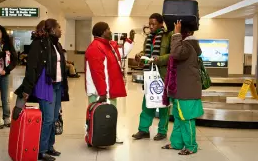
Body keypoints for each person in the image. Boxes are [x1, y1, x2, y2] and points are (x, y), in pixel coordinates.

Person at [15, 19, 69, 161]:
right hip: (45, 85)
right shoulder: (38, 44)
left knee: (55, 118)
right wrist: (26, 88)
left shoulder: (57, 44)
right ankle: (42, 150)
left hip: (57, 85)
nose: (60, 30)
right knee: (48, 119)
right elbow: (31, 68)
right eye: (58, 27)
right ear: (51, 29)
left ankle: (50, 146)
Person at [85, 22, 134, 143]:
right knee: (96, 115)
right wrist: (102, 92)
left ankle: (110, 135)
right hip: (99, 91)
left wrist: (130, 40)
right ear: (102, 32)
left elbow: (120, 54)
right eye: (108, 29)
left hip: (109, 88)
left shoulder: (108, 46)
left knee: (109, 114)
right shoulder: (95, 47)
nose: (110, 31)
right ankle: (93, 137)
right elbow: (97, 73)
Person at [161, 21, 204, 155]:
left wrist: (176, 34)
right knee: (179, 118)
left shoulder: (187, 45)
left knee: (186, 119)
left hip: (187, 91)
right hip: (181, 90)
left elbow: (176, 53)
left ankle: (191, 146)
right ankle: (177, 143)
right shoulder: (188, 44)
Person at [132, 13, 172, 141]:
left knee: (163, 105)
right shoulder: (149, 37)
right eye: (149, 24)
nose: (151, 26)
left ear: (161, 24)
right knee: (147, 103)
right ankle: (143, 130)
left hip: (163, 74)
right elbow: (146, 52)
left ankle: (162, 131)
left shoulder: (168, 36)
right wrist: (140, 55)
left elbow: (172, 55)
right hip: (150, 75)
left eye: (153, 24)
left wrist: (158, 59)